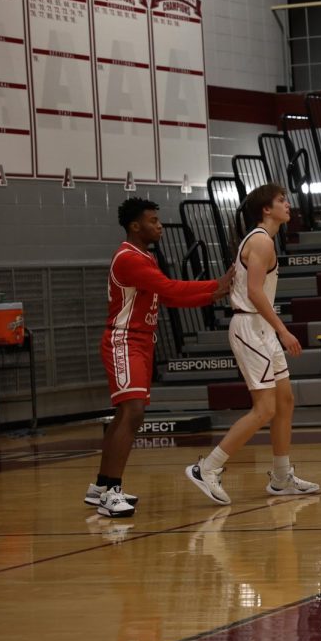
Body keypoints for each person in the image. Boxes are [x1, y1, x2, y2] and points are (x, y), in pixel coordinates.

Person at [88, 198, 231, 518]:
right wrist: (215, 286)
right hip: (124, 340)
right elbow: (171, 289)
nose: (160, 225)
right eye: (153, 221)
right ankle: (111, 493)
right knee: (133, 412)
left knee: (126, 413)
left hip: (140, 342)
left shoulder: (144, 256)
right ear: (135, 226)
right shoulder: (128, 258)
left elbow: (168, 296)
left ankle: (100, 486)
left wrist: (214, 292)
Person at [185, 185, 318, 506]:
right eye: (281, 201)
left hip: (260, 327)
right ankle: (207, 467)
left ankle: (282, 476)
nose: (288, 204)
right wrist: (283, 331)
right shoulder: (260, 240)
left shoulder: (263, 240)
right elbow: (256, 293)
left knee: (284, 402)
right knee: (265, 409)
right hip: (250, 325)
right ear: (266, 210)